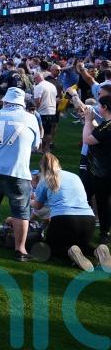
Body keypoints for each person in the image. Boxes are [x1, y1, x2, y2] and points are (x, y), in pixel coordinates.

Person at [0, 87, 41, 261]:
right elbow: (36, 146)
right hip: (18, 171)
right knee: (21, 212)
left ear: (5, 101)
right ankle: (21, 249)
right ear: (22, 103)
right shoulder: (31, 118)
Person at [32, 153, 109, 272]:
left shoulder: (44, 180)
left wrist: (28, 200)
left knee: (52, 246)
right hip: (89, 219)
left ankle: (70, 251)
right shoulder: (74, 176)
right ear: (58, 164)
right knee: (82, 245)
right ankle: (97, 250)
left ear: (42, 168)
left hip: (64, 219)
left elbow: (38, 206)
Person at [82, 95, 111, 245]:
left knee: (102, 202)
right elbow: (99, 132)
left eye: (99, 105)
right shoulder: (106, 125)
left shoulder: (108, 126)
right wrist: (90, 121)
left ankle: (104, 233)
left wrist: (88, 122)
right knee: (90, 197)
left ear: (105, 107)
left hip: (102, 171)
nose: (98, 108)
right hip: (100, 169)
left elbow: (88, 139)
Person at [33, 72, 58, 153]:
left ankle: (40, 148)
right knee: (48, 132)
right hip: (52, 111)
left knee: (41, 131)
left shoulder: (38, 86)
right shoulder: (52, 85)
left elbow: (37, 101)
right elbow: (56, 97)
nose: (34, 81)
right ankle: (47, 148)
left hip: (42, 112)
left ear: (37, 78)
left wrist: (34, 110)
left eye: (34, 79)